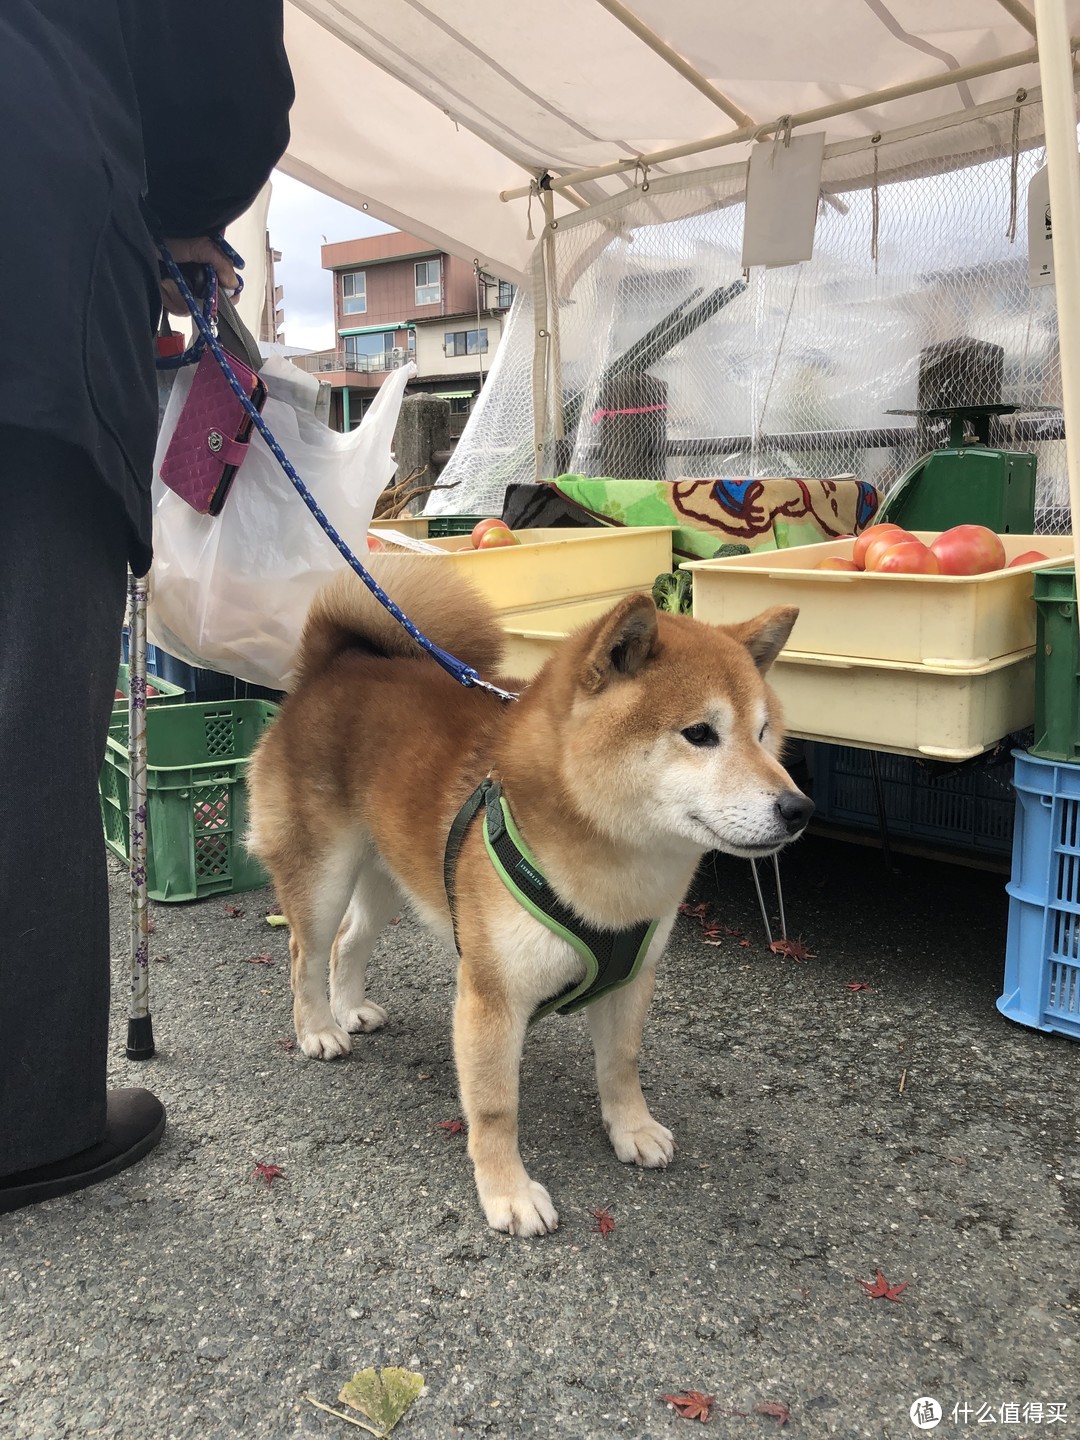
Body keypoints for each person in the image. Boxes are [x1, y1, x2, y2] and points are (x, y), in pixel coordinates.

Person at [0, 2, 294, 1212]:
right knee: (24, 715)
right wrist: (186, 204)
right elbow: (214, 58)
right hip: (31, 249)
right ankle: (27, 1116)